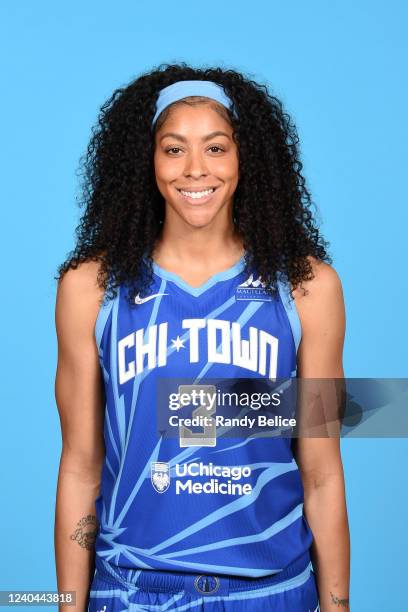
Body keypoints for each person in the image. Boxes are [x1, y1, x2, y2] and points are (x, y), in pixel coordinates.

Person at [54, 63, 350, 611]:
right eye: (173, 149)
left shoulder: (307, 289)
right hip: (133, 593)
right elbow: (78, 466)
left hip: (271, 593)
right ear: (147, 160)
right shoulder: (92, 290)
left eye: (216, 148)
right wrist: (68, 605)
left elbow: (323, 472)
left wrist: (337, 605)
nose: (195, 170)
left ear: (245, 160)